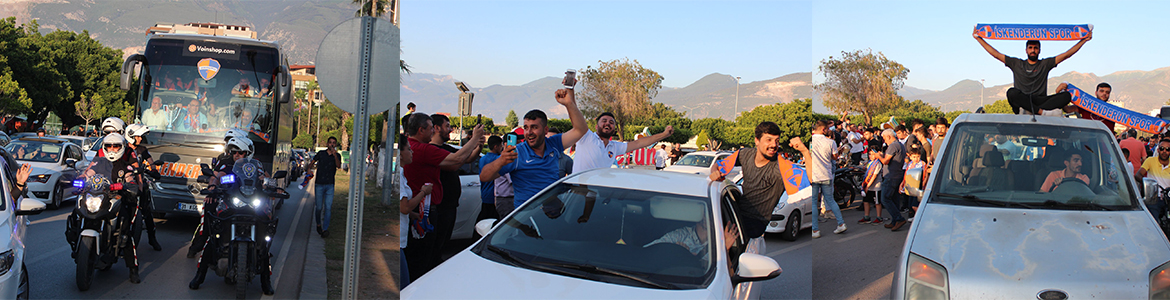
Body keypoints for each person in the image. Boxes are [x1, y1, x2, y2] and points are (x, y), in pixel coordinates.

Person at [402, 112, 484, 278]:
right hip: (425, 210)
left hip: (427, 208)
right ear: (420, 130)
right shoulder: (424, 149)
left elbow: (459, 160)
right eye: (431, 128)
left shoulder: (416, 147)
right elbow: (456, 160)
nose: (433, 132)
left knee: (426, 254)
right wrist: (474, 138)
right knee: (424, 258)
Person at [480, 88, 588, 211]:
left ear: (546, 130)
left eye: (534, 127)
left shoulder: (554, 143)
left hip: (553, 213)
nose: (529, 132)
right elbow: (484, 177)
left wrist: (568, 103)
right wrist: (500, 161)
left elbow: (581, 129)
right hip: (527, 218)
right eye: (526, 128)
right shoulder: (517, 153)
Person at [974, 30, 1092, 115]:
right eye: (1030, 48)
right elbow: (995, 54)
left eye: (1035, 48)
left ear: (1039, 50)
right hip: (1022, 101)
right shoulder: (1016, 63)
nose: (1033, 50)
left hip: (1040, 101)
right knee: (1011, 93)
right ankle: (1041, 112)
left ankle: (1034, 110)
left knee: (1066, 96)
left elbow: (1066, 54)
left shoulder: (1045, 64)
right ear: (1026, 50)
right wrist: (979, 38)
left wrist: (1084, 40)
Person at [77, 133, 143, 283]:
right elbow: (89, 173)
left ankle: (133, 269)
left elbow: (130, 178)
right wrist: (82, 178)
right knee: (78, 212)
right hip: (99, 199)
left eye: (116, 146)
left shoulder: (126, 165)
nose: (112, 149)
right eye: (109, 146)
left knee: (125, 232)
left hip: (117, 201)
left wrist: (129, 185)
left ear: (122, 147)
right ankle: (78, 242)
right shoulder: (99, 163)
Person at [708, 122, 789, 241]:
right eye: (769, 140)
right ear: (757, 140)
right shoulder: (745, 154)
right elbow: (718, 165)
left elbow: (811, 177)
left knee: (721, 242)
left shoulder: (781, 167)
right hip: (737, 211)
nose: (774, 145)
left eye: (777, 140)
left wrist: (804, 151)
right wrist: (714, 172)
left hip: (755, 223)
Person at [427, 114, 481, 264]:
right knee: (435, 246)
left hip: (450, 206)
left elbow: (466, 158)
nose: (450, 129)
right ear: (436, 128)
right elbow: (456, 162)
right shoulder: (432, 150)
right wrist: (474, 138)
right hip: (440, 207)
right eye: (447, 126)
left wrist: (479, 147)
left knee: (443, 243)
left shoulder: (447, 148)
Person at [791, 120, 847, 238]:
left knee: (814, 203)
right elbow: (834, 157)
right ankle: (841, 223)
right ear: (823, 129)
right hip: (826, 174)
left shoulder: (810, 141)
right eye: (827, 129)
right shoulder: (831, 142)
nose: (828, 131)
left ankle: (815, 230)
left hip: (813, 175)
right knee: (830, 200)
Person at [570, 112, 673, 173]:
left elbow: (638, 143)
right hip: (578, 190)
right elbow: (576, 117)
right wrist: (570, 95)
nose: (607, 123)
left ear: (614, 129)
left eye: (611, 122)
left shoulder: (614, 146)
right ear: (596, 126)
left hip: (598, 190)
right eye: (604, 121)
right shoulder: (586, 137)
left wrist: (664, 134)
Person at [397, 133, 432, 288]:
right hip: (398, 241)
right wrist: (423, 192)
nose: (412, 152)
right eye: (409, 149)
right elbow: (404, 207)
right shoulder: (399, 174)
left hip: (402, 238)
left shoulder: (402, 173)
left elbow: (403, 208)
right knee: (404, 285)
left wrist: (415, 215)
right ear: (400, 154)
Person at [125, 124, 162, 251]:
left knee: (147, 211)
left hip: (140, 181)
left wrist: (154, 169)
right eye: (138, 136)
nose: (140, 139)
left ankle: (152, 238)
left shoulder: (142, 149)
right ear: (131, 136)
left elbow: (151, 161)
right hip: (125, 182)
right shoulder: (123, 149)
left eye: (141, 137)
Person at [873, 129, 908, 231]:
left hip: (891, 176)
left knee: (885, 198)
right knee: (894, 199)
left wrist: (878, 156)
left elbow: (886, 161)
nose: (884, 141)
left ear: (888, 136)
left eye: (884, 138)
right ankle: (894, 221)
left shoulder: (893, 146)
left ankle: (898, 218)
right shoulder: (899, 145)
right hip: (897, 174)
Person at [309, 137, 342, 238]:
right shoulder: (321, 154)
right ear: (327, 144)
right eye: (330, 143)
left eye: (334, 143)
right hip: (319, 183)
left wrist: (335, 155)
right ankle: (318, 224)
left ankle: (325, 229)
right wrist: (309, 169)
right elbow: (312, 161)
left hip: (330, 185)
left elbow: (338, 166)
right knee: (319, 207)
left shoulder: (337, 155)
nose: (332, 144)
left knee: (328, 207)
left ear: (335, 145)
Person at [1140, 139, 1170, 219]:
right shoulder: (1150, 160)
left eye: (1168, 149)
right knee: (1153, 220)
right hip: (1153, 198)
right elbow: (1138, 175)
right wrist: (1149, 185)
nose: (1164, 151)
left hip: (1168, 198)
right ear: (1158, 150)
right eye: (1162, 148)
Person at [477, 136, 503, 222]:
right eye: (501, 145)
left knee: (484, 218)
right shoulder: (498, 160)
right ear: (496, 146)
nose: (501, 147)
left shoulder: (482, 159)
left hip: (485, 193)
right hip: (494, 196)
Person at [858, 147, 884, 224]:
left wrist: (867, 186)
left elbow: (874, 176)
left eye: (873, 154)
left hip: (876, 186)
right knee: (866, 201)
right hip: (868, 186)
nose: (871, 156)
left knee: (877, 202)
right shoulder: (869, 163)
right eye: (869, 154)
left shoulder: (878, 163)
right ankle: (867, 216)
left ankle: (879, 217)